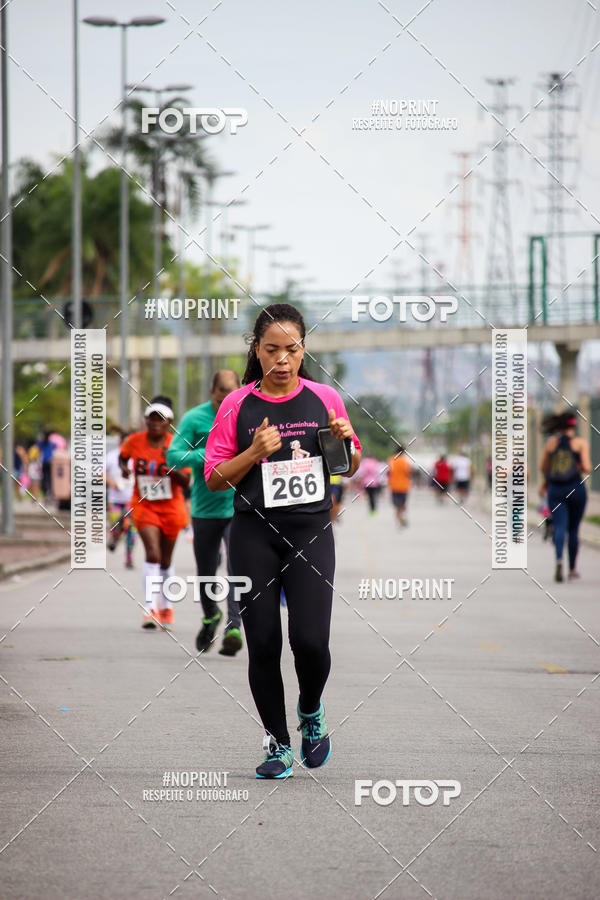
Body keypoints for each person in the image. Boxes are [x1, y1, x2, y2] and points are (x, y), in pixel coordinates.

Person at [204, 303, 362, 779]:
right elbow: (214, 477)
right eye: (271, 349)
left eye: (290, 349)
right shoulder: (238, 404)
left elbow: (345, 467)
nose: (281, 359)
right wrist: (253, 453)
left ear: (303, 349)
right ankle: (277, 744)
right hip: (254, 532)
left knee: (311, 641)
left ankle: (310, 711)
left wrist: (345, 443)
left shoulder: (324, 398)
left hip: (310, 530)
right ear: (257, 349)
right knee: (265, 643)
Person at [167, 370, 243, 656]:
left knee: (238, 568)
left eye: (231, 391)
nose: (226, 397)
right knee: (206, 571)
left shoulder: (244, 414)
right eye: (221, 390)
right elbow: (173, 456)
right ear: (212, 391)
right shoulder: (194, 418)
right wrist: (210, 456)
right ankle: (211, 616)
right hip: (205, 508)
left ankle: (234, 626)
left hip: (239, 507)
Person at [119, 396, 191, 629]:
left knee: (166, 560)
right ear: (146, 421)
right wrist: (124, 471)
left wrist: (172, 470)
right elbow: (123, 458)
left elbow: (187, 480)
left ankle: (167, 608)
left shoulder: (177, 444)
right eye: (151, 419)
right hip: (144, 504)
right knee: (153, 553)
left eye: (161, 419)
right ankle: (150, 609)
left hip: (171, 507)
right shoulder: (135, 441)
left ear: (169, 422)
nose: (155, 423)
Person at [539, 410, 592, 582]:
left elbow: (543, 467)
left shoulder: (550, 443)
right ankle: (572, 568)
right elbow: (587, 467)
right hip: (576, 488)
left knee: (560, 525)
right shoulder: (580, 443)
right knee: (574, 529)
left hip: (556, 490)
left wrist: (546, 483)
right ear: (574, 425)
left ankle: (559, 559)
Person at [106, 430, 136, 569]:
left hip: (132, 501)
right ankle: (115, 537)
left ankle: (129, 558)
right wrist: (112, 483)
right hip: (115, 499)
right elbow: (100, 473)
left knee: (130, 529)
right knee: (116, 525)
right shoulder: (112, 456)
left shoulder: (136, 457)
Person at [387, 444, 411, 526]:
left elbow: (389, 472)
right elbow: (408, 472)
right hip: (404, 485)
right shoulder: (405, 461)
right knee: (403, 504)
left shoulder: (391, 459)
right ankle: (402, 517)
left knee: (397, 504)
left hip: (394, 485)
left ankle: (399, 519)